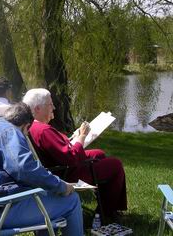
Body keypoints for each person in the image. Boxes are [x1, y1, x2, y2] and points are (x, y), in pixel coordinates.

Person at [0, 103, 84, 235]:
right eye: (27, 132)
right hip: (1, 211)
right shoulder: (9, 132)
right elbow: (24, 168)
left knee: (46, 197)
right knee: (72, 200)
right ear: (26, 126)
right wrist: (61, 185)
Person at [22, 88, 127, 218]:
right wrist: (82, 136)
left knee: (98, 154)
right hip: (66, 174)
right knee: (115, 165)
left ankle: (106, 202)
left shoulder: (31, 126)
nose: (53, 107)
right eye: (50, 104)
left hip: (57, 167)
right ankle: (105, 212)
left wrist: (72, 139)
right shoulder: (43, 130)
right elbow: (71, 157)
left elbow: (57, 148)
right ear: (37, 108)